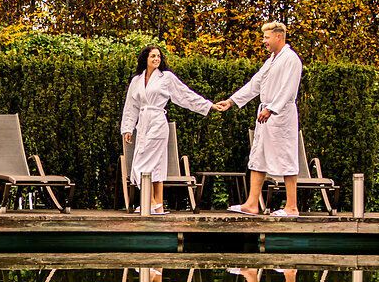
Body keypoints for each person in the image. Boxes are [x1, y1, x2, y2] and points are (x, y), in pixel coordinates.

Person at [214, 21, 302, 217]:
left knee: (287, 157)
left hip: (281, 116)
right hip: (265, 116)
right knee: (258, 157)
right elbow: (255, 84)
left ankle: (292, 206)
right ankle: (252, 203)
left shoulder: (291, 59)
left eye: (266, 37)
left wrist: (271, 109)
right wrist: (231, 101)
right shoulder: (271, 60)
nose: (264, 41)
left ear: (278, 36)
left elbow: (289, 90)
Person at [121, 44, 215, 217]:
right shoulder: (137, 80)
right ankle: (158, 205)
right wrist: (127, 128)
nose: (157, 59)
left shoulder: (166, 77)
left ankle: (148, 202)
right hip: (143, 122)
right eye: (153, 56)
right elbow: (131, 106)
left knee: (143, 162)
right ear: (145, 59)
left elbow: (185, 95)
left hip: (157, 121)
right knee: (154, 164)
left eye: (159, 56)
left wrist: (208, 106)